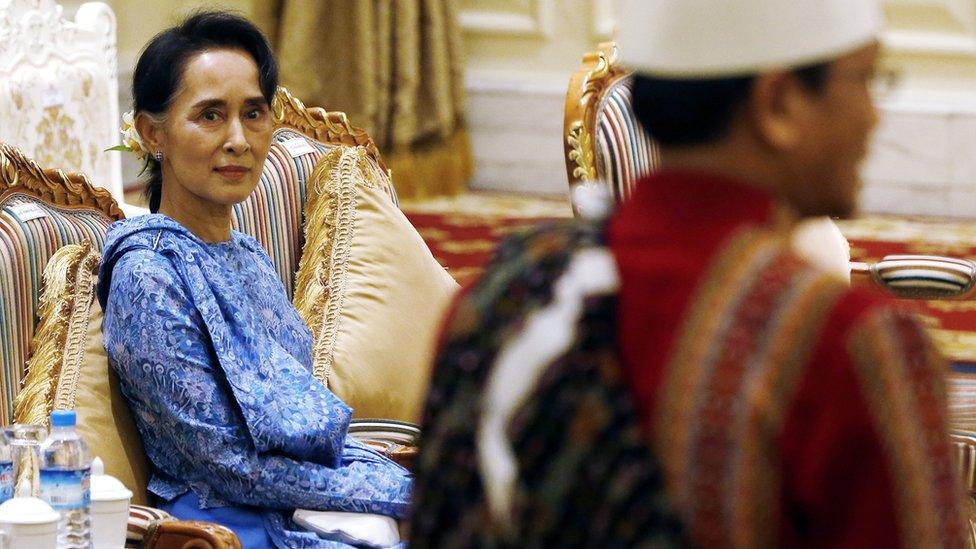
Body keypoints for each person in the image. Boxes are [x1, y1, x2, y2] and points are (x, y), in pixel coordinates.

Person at [410, 0, 966, 546]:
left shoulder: (501, 291)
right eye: (866, 80)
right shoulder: (846, 347)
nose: (874, 115)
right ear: (778, 104)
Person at [97, 12, 410, 548]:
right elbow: (222, 463)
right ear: (153, 134)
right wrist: (390, 491)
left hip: (302, 500)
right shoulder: (148, 275)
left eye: (254, 113)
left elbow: (299, 414)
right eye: (210, 116)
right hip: (223, 523)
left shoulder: (249, 255)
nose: (239, 139)